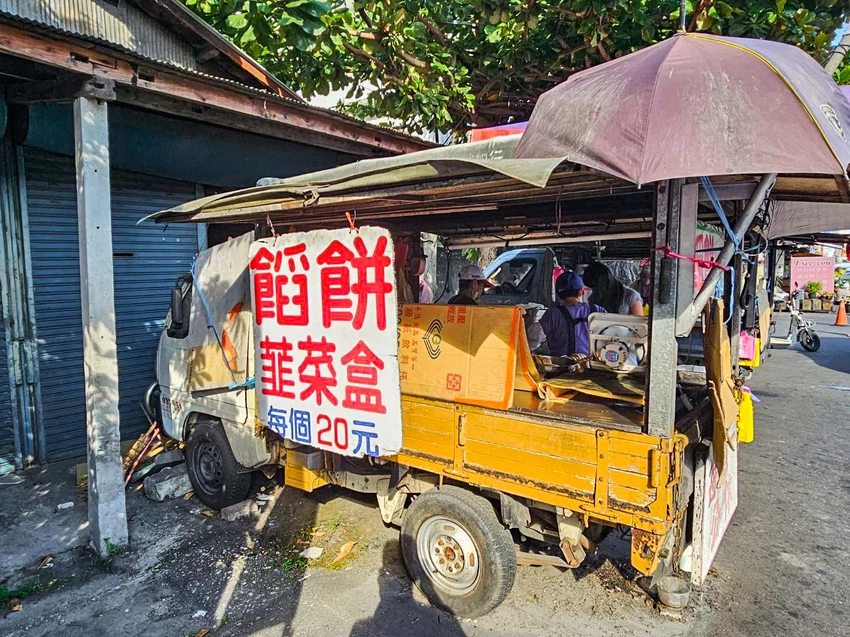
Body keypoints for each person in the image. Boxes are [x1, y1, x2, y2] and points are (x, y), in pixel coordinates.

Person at [540, 271, 606, 356]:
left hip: (562, 367)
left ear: (559, 295)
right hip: (594, 366)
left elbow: (533, 338)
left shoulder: (553, 315)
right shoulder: (599, 311)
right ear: (582, 292)